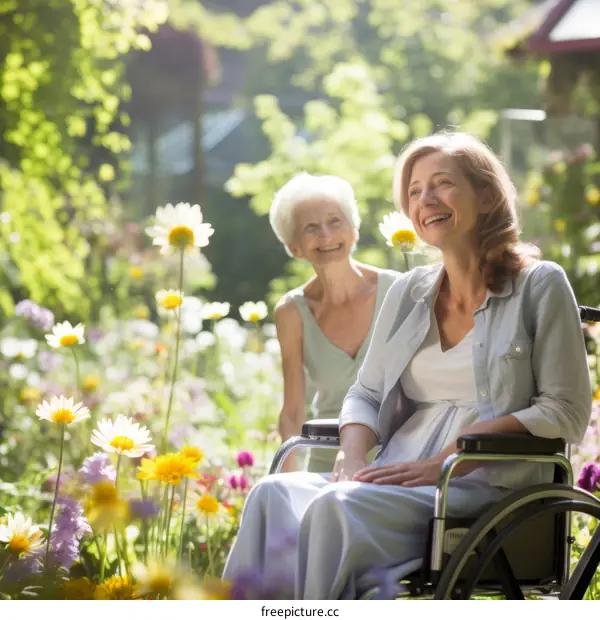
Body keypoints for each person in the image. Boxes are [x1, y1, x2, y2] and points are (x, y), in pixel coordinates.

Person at [222, 131, 592, 600]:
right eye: (414, 191)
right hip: (398, 474)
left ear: (485, 194)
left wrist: (448, 458)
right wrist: (353, 458)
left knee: (336, 507)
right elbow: (366, 394)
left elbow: (565, 411)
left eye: (442, 183)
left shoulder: (539, 285)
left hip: (484, 485)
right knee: (271, 494)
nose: (426, 199)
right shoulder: (408, 291)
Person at [269, 172, 398, 473]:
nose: (326, 236)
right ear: (294, 247)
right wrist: (289, 484)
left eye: (334, 221)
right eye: (311, 228)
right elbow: (292, 413)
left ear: (353, 231)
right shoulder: (291, 311)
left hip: (396, 462)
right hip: (326, 466)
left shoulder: (398, 290)